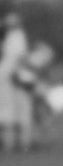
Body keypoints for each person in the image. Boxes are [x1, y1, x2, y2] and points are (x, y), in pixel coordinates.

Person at [0, 10, 33, 151]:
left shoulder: (17, 36)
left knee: (19, 111)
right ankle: (12, 144)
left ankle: (21, 144)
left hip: (16, 78)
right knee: (10, 112)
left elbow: (20, 58)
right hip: (8, 78)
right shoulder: (10, 38)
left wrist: (19, 75)